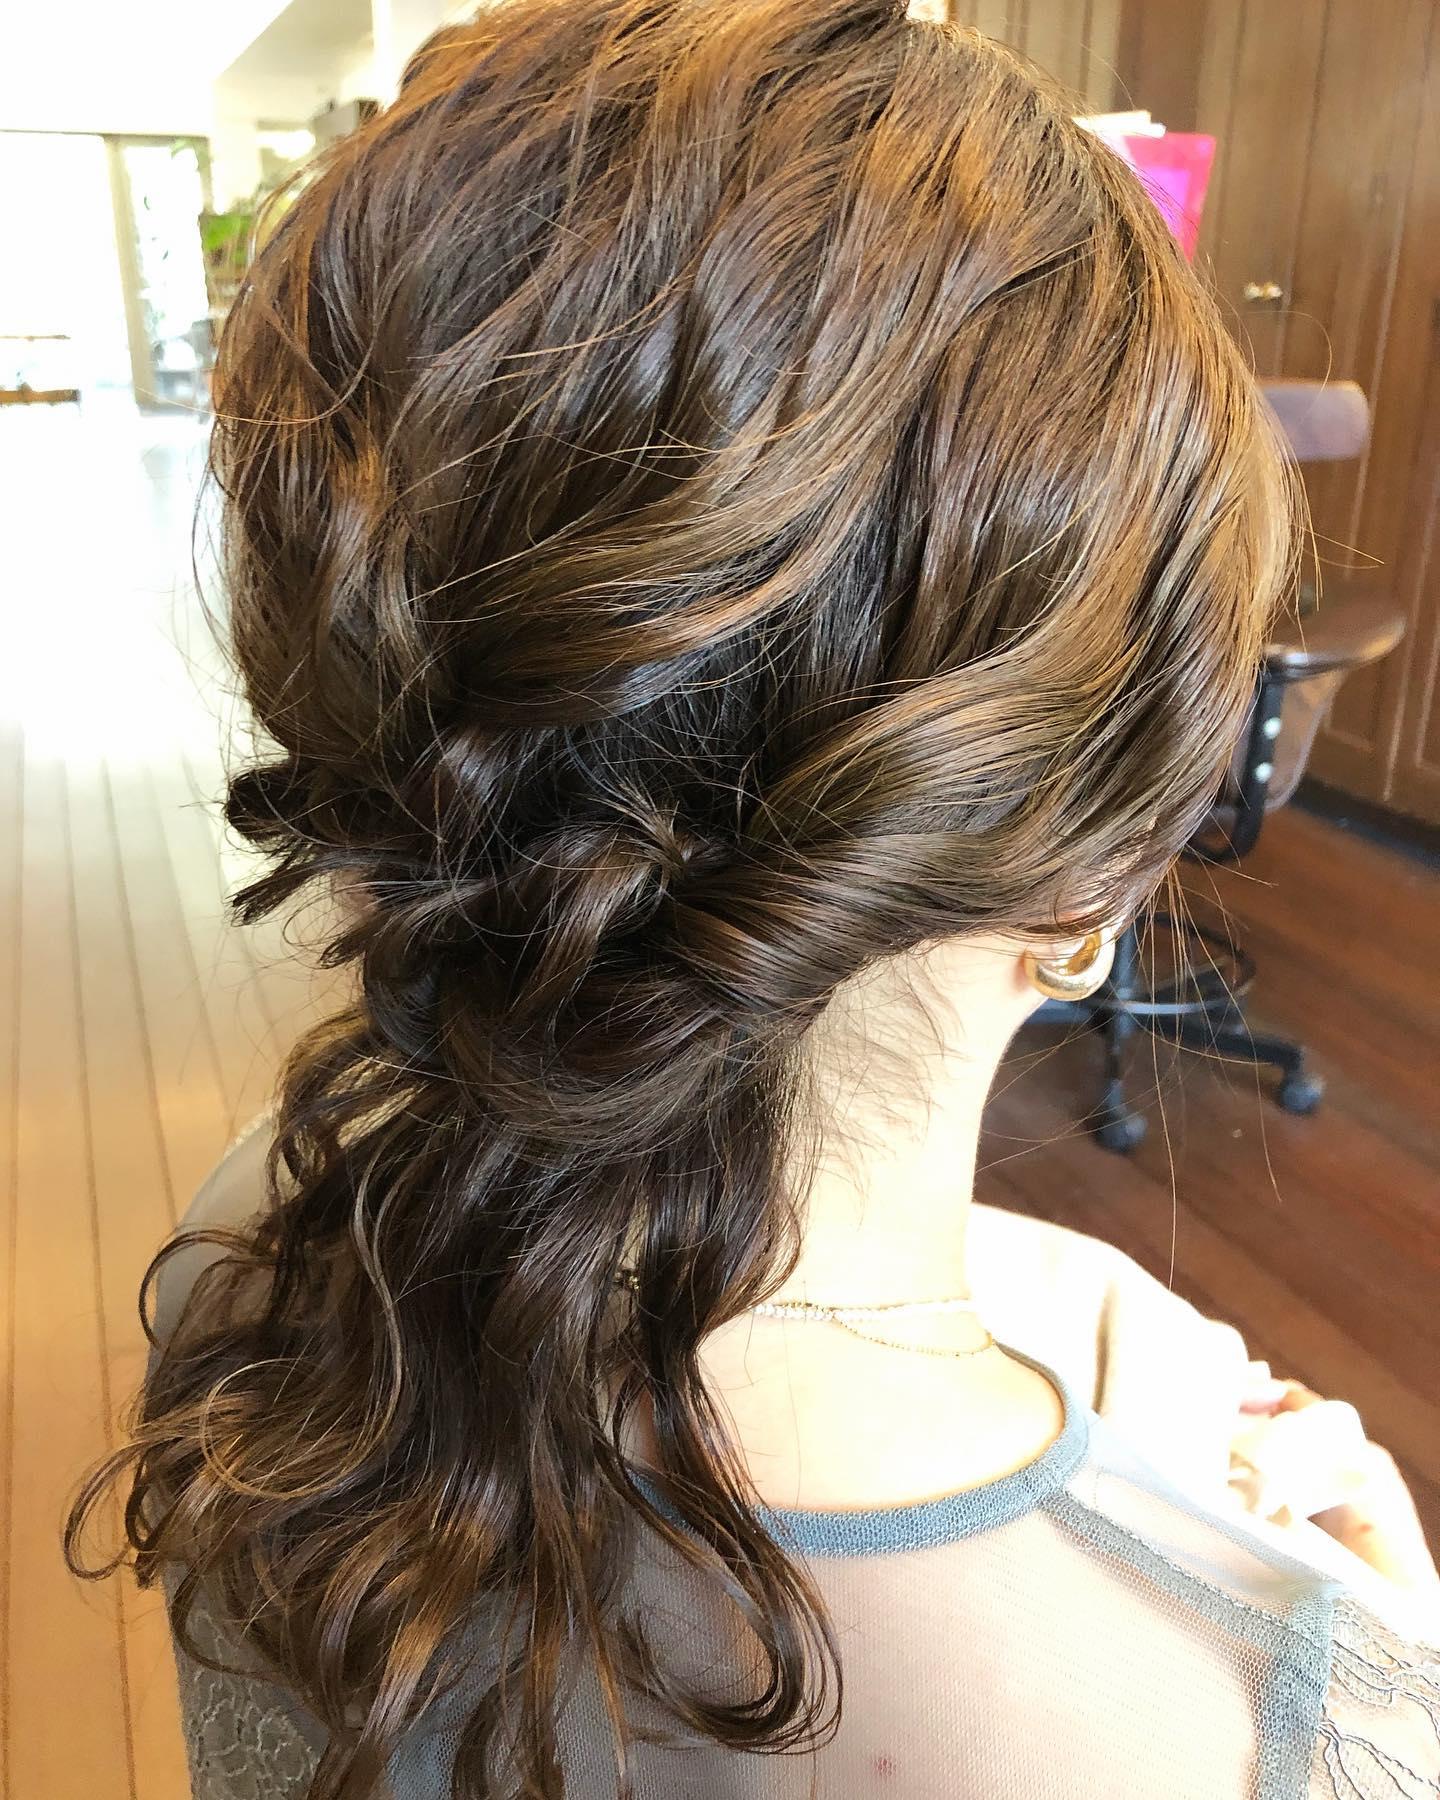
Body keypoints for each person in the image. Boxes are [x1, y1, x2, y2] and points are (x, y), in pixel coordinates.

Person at [68, 2, 1440, 1796]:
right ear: (1103, 867)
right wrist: (1376, 1651)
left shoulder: (261, 1239)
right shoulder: (1282, 1721)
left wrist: (1104, 1332)